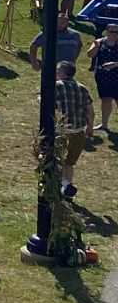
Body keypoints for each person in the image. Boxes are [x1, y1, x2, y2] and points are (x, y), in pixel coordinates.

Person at [58, 61, 94, 200]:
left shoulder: (57, 87)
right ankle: (67, 189)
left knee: (56, 160)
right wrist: (90, 127)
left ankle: (63, 186)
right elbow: (90, 110)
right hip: (79, 131)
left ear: (63, 72)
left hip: (62, 131)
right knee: (69, 163)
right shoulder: (82, 88)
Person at [92, 24, 118, 132]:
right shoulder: (100, 42)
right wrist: (96, 47)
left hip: (117, 78)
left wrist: (115, 64)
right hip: (103, 77)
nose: (113, 34)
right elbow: (90, 55)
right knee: (105, 101)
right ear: (106, 32)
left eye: (116, 32)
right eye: (111, 31)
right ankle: (104, 124)